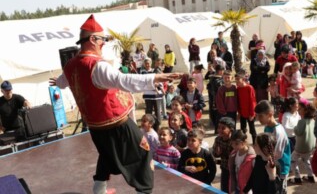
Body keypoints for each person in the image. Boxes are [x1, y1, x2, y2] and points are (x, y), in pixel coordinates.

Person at [49, 14, 181, 194]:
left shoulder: (71, 64)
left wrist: (56, 82)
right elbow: (123, 80)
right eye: (102, 39)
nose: (104, 43)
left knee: (106, 154)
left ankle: (99, 189)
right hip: (116, 124)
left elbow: (63, 82)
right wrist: (154, 77)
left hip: (95, 127)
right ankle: (144, 191)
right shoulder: (97, 66)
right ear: (93, 39)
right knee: (143, 152)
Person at [254, 100, 291, 194]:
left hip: (280, 169)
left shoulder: (278, 131)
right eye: (257, 116)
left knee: (279, 191)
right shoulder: (267, 127)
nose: (258, 118)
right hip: (271, 167)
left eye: (261, 116)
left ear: (270, 114)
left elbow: (276, 155)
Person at [289, 102, 316, 184]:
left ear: (306, 111)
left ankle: (297, 178)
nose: (298, 110)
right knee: (306, 160)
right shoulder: (312, 121)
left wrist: (294, 127)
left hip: (300, 147)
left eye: (300, 109)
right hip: (310, 147)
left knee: (293, 161)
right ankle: (311, 176)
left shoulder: (301, 121)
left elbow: (298, 132)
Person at [212, 117, 235, 192]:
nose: (220, 130)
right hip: (225, 168)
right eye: (219, 128)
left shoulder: (234, 141)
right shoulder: (218, 139)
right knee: (224, 189)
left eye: (223, 128)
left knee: (233, 189)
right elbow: (214, 154)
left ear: (231, 129)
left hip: (235, 170)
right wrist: (217, 153)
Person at [235, 70, 257, 144]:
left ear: (243, 79)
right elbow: (238, 102)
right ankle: (244, 142)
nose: (236, 81)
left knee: (252, 129)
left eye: (238, 79)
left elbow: (252, 101)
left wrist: (252, 114)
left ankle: (255, 142)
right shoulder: (238, 89)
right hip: (242, 113)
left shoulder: (249, 88)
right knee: (243, 129)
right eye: (236, 80)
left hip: (250, 113)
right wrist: (239, 112)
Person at [207, 65, 224, 133]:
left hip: (213, 100)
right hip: (216, 100)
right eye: (222, 70)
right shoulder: (217, 80)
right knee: (218, 115)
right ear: (219, 71)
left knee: (216, 114)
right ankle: (217, 129)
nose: (223, 72)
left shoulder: (213, 78)